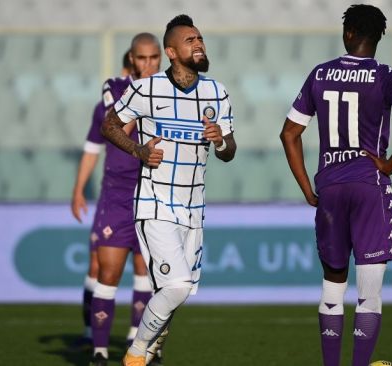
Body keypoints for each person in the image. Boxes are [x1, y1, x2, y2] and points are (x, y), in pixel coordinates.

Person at [280, 4, 392, 366]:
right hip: (368, 185)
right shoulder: (386, 75)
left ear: (347, 33)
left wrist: (307, 189)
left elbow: (289, 133)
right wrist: (389, 164)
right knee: (368, 295)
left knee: (332, 285)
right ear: (378, 37)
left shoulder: (320, 73)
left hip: (329, 187)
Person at [101, 15, 237, 366]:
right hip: (155, 203)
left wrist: (220, 141)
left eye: (201, 38)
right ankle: (134, 355)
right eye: (191, 40)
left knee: (179, 292)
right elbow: (110, 124)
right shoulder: (147, 89)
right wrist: (138, 151)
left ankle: (147, 349)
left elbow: (229, 150)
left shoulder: (216, 92)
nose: (199, 44)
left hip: (194, 210)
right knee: (176, 286)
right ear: (172, 52)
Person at [71, 33, 163, 366]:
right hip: (118, 194)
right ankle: (97, 349)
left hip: (154, 193)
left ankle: (136, 344)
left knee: (147, 273)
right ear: (131, 60)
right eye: (142, 59)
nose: (149, 65)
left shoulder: (172, 92)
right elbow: (114, 133)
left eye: (154, 59)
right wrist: (78, 188)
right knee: (106, 271)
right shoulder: (114, 89)